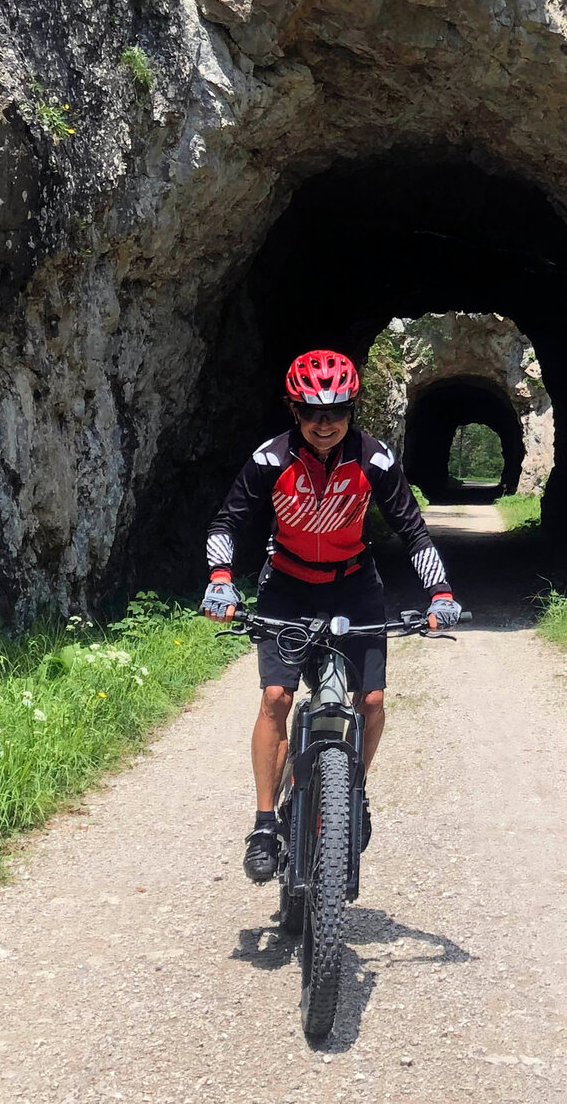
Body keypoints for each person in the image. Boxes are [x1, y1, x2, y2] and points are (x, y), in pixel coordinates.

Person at [201, 348, 463, 883]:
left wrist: (440, 593)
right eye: (312, 412)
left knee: (371, 700)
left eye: (337, 411)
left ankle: (353, 795)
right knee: (276, 697)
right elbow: (226, 524)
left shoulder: (374, 459)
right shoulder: (271, 459)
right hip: (287, 587)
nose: (325, 424)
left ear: (352, 410)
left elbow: (412, 529)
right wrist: (221, 583)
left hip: (354, 585)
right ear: (293, 411)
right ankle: (262, 825)